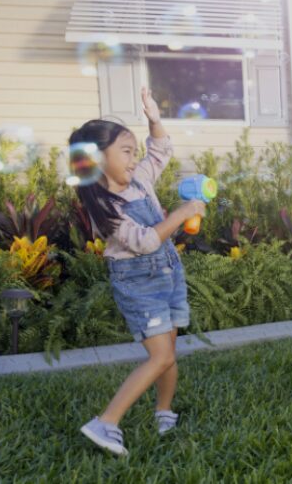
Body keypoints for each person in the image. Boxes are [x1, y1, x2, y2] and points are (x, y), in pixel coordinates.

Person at [75, 88, 206, 456]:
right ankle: (106, 422)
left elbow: (161, 150)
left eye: (134, 151)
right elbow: (145, 241)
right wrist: (181, 213)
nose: (135, 159)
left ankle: (164, 411)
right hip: (139, 284)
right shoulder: (105, 207)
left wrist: (153, 118)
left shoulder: (139, 180)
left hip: (168, 275)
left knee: (170, 352)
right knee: (160, 356)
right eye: (127, 152)